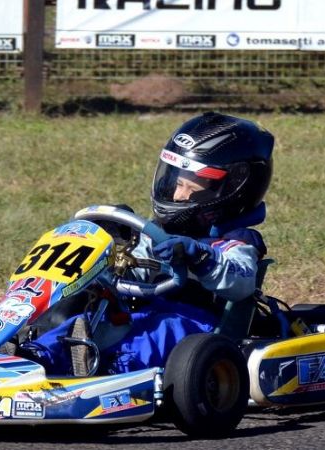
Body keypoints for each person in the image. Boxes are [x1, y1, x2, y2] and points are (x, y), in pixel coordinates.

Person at [23, 112, 274, 376]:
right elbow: (137, 268)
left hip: (198, 329)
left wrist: (199, 255)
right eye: (177, 182)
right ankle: (35, 355)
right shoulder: (160, 233)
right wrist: (108, 254)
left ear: (233, 189)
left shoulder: (235, 240)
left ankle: (108, 369)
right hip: (144, 313)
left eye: (191, 188)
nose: (178, 194)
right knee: (88, 319)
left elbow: (241, 279)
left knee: (160, 330)